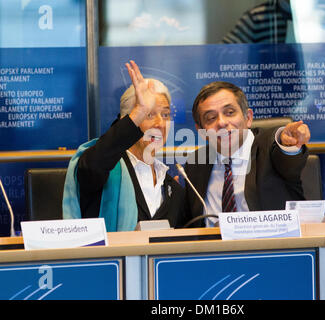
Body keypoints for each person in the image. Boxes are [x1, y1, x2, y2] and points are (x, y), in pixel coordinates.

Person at [63, 60, 184, 230]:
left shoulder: (173, 187)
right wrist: (139, 111)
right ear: (128, 119)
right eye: (149, 114)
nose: (160, 123)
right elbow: (91, 167)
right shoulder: (106, 169)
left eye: (165, 115)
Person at [179, 81, 310, 228]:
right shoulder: (195, 163)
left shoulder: (269, 148)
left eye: (229, 112)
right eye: (211, 118)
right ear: (201, 130)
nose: (221, 122)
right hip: (213, 248)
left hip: (271, 246)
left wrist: (288, 144)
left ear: (248, 118)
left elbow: (287, 159)